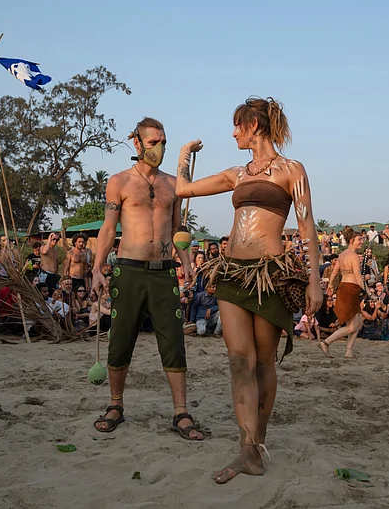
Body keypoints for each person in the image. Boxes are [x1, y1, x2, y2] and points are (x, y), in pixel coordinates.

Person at [175, 97, 322, 484]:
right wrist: (183, 154)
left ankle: (258, 443)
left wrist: (315, 280)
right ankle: (247, 449)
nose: (234, 132)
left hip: (271, 275)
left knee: (263, 363)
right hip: (233, 275)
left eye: (238, 125)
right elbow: (183, 189)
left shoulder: (293, 170)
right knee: (239, 360)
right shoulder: (236, 174)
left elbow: (307, 229)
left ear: (254, 124)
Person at [91, 116, 203, 443]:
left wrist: (187, 261)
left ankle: (180, 411)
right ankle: (115, 406)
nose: (160, 148)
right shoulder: (120, 182)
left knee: (173, 340)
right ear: (137, 144)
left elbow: (179, 226)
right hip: (128, 269)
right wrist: (98, 268)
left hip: (164, 271)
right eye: (154, 142)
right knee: (121, 337)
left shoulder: (173, 185)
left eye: (164, 142)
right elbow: (109, 229)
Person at [318, 228, 364, 358]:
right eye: (359, 239)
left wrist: (331, 285)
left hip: (344, 288)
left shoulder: (342, 254)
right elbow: (357, 275)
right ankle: (326, 343)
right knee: (351, 326)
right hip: (350, 289)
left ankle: (349, 351)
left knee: (358, 322)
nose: (362, 241)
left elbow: (334, 272)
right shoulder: (353, 256)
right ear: (351, 241)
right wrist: (365, 289)